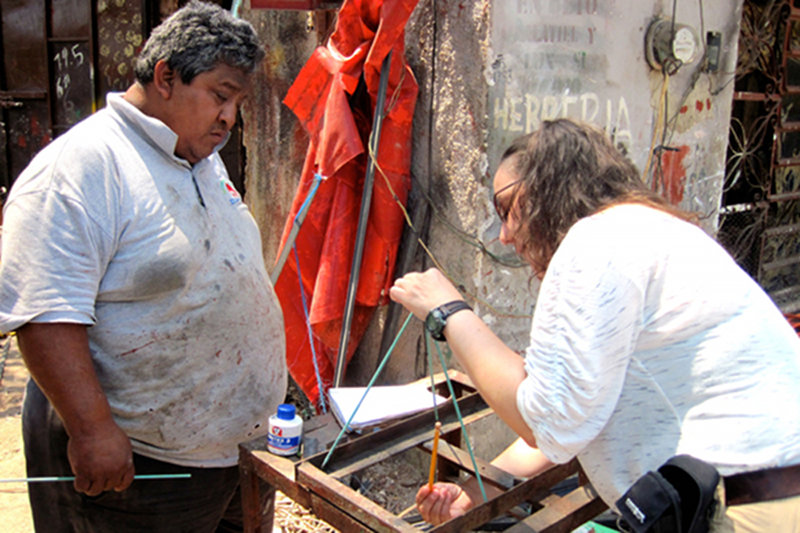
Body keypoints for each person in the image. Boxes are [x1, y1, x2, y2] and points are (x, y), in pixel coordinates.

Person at [391, 119, 800, 531]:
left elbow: (548, 423)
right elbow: (573, 415)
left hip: (745, 507)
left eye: (505, 208)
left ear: (545, 189)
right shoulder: (644, 232)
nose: (505, 236)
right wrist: (479, 489)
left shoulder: (596, 244)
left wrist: (449, 312)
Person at [0, 2, 287, 531]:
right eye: (221, 96)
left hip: (231, 457)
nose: (230, 118)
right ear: (165, 77)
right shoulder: (84, 167)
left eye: (238, 103)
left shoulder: (199, 158)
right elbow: (43, 312)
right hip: (138, 471)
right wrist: (91, 431)